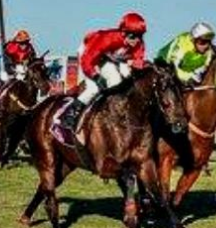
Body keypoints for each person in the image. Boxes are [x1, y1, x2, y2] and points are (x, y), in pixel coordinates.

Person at [53, 12, 148, 145]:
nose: (137, 40)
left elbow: (138, 64)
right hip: (89, 54)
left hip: (108, 58)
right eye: (133, 35)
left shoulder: (139, 44)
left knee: (121, 81)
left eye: (140, 36)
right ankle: (68, 117)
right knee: (94, 88)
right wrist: (95, 76)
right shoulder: (108, 38)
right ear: (124, 32)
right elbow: (87, 60)